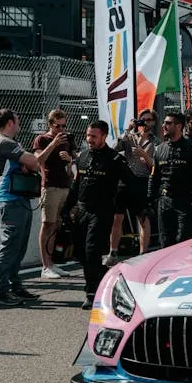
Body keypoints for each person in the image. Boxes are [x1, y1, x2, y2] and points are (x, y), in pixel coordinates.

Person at [71, 121, 136, 309]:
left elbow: (129, 181)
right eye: (88, 136)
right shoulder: (83, 156)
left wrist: (120, 202)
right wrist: (67, 209)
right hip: (82, 210)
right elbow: (77, 184)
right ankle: (104, 277)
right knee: (81, 253)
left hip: (102, 211)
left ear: (104, 136)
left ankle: (92, 293)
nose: (89, 139)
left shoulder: (114, 159)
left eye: (93, 136)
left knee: (92, 252)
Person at [0, 108, 41, 306]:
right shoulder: (3, 142)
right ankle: (2, 290)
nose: (19, 125)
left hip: (20, 199)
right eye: (17, 121)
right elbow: (34, 162)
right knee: (10, 245)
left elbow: (30, 164)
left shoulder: (12, 143)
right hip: (10, 200)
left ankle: (15, 285)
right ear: (10, 122)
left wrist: (28, 162)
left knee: (18, 246)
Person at [107, 109, 158, 266]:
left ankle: (143, 253)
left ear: (154, 122)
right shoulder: (130, 137)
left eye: (149, 120)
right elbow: (115, 149)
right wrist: (127, 130)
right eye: (143, 120)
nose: (145, 123)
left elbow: (155, 166)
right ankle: (113, 252)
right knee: (117, 217)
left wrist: (144, 154)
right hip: (124, 181)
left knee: (143, 218)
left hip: (142, 181)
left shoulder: (156, 141)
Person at [148, 113, 192, 248]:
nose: (163, 126)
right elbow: (155, 176)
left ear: (179, 126)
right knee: (165, 242)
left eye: (168, 123)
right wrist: (149, 200)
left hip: (186, 201)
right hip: (165, 201)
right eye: (164, 123)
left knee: (184, 240)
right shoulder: (160, 149)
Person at [33, 109, 74, 280]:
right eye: (58, 126)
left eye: (64, 126)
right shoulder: (42, 139)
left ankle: (52, 263)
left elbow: (73, 163)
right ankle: (45, 265)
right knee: (47, 224)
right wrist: (53, 144)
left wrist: (70, 159)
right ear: (50, 125)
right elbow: (37, 160)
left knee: (56, 225)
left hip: (64, 185)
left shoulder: (66, 140)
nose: (62, 130)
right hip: (49, 187)